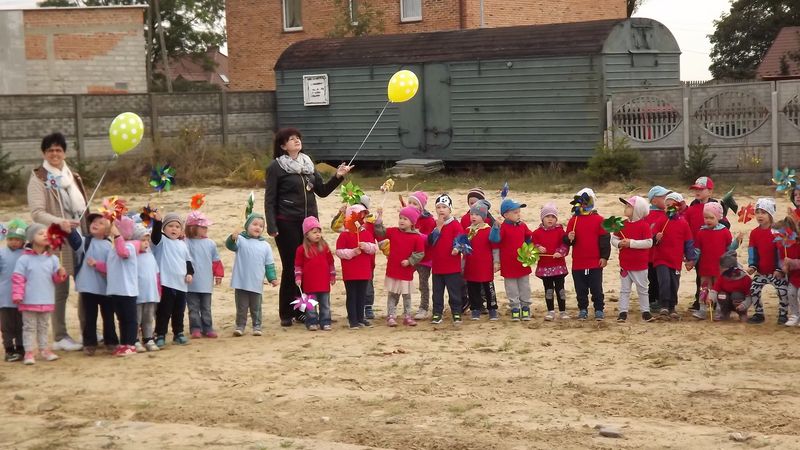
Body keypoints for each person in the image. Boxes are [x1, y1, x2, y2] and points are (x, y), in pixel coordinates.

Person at [265, 127, 352, 327]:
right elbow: (270, 199)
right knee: (291, 268)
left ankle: (302, 310)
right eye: (291, 139)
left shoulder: (308, 164)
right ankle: (286, 312)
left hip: (309, 225)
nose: (296, 141)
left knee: (309, 268)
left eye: (298, 138)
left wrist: (338, 176)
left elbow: (321, 191)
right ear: (282, 146)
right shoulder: (276, 168)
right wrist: (272, 225)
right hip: (286, 223)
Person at [27, 132, 86, 352]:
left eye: (58, 150)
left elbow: (83, 207)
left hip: (80, 237)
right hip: (56, 239)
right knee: (60, 288)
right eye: (50, 150)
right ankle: (60, 335)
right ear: (44, 153)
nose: (54, 154)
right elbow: (37, 213)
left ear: (64, 153)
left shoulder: (74, 177)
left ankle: (87, 330)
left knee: (86, 285)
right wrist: (59, 222)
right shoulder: (38, 178)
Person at [12, 223, 68, 365]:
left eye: (46, 233)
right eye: (40, 233)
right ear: (31, 238)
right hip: (29, 300)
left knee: (43, 326)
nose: (45, 235)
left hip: (46, 299)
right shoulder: (24, 259)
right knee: (29, 327)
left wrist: (61, 274)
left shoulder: (53, 259)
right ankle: (29, 352)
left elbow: (55, 279)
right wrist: (17, 295)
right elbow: (18, 278)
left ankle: (44, 349)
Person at [67, 213, 118, 356]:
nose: (95, 224)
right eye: (93, 222)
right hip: (88, 287)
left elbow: (112, 268)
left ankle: (111, 342)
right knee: (89, 317)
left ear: (108, 230)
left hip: (106, 288)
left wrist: (97, 265)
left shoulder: (109, 246)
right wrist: (70, 230)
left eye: (100, 223)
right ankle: (89, 343)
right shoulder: (85, 241)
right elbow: (75, 241)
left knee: (108, 317)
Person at [227, 213, 279, 336]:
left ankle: (257, 326)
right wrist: (232, 238)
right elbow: (230, 246)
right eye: (254, 224)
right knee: (242, 306)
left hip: (256, 282)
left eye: (261, 226)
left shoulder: (265, 245)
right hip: (241, 281)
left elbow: (269, 265)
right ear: (247, 226)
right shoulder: (241, 240)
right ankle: (240, 326)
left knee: (256, 307)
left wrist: (272, 278)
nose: (258, 227)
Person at [374, 206, 426, 327]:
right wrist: (379, 218)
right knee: (392, 294)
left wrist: (409, 261)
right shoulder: (393, 231)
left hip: (406, 272)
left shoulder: (416, 237)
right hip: (393, 270)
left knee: (406, 295)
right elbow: (380, 232)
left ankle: (407, 316)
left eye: (405, 219)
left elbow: (420, 253)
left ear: (412, 222)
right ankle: (391, 316)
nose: (402, 221)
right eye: (400, 218)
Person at [565, 188, 610, 321]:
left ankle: (599, 309)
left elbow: (605, 240)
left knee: (596, 288)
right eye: (580, 202)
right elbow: (568, 241)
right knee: (581, 289)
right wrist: (569, 238)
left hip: (595, 262)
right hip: (578, 261)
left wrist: (604, 257)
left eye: (585, 202)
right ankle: (583, 309)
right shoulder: (574, 220)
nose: (583, 205)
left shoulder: (599, 220)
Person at [150, 212, 194, 347]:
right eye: (170, 226)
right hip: (166, 283)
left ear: (181, 230)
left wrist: (189, 273)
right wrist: (157, 222)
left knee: (179, 311)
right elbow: (155, 236)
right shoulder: (162, 241)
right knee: (164, 311)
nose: (174, 229)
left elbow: (188, 262)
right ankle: (160, 334)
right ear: (164, 228)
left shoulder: (182, 245)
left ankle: (178, 333)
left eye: (177, 226)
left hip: (181, 284)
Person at [652, 192, 697, 319]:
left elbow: (688, 242)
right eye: (667, 205)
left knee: (674, 283)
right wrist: (656, 237)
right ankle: (664, 305)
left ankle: (672, 307)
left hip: (676, 260)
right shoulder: (661, 220)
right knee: (664, 281)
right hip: (661, 258)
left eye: (672, 205)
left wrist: (691, 258)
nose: (669, 207)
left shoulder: (683, 223)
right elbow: (652, 240)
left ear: (679, 206)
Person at [692, 202, 740, 320]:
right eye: (705, 217)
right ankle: (702, 310)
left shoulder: (724, 232)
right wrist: (691, 261)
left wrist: (737, 242)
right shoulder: (701, 232)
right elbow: (697, 251)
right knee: (704, 289)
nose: (708, 220)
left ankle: (720, 310)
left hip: (720, 268)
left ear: (719, 217)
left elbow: (729, 249)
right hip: (705, 267)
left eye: (711, 217)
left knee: (719, 290)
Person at [745, 198, 788, 325]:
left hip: (776, 272)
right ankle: (759, 313)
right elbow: (752, 250)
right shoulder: (754, 233)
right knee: (754, 289)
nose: (759, 215)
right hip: (761, 272)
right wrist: (752, 265)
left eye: (763, 212)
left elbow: (781, 252)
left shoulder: (777, 232)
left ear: (770, 214)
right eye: (757, 212)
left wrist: (780, 269)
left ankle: (783, 314)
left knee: (782, 291)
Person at [490, 198, 535, 321]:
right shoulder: (503, 227)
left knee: (525, 287)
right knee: (511, 288)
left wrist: (532, 246)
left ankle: (525, 307)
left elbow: (529, 237)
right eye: (515, 212)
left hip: (522, 263)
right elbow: (495, 240)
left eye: (519, 211)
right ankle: (515, 308)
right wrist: (495, 228)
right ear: (506, 215)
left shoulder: (522, 225)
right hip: (508, 264)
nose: (518, 214)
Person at [611, 196, 654, 323]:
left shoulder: (644, 225)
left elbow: (648, 243)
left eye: (629, 206)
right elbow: (613, 239)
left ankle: (645, 311)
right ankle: (622, 312)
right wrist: (619, 243)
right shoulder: (621, 224)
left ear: (637, 210)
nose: (626, 208)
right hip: (625, 264)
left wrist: (631, 243)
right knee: (624, 290)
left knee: (643, 289)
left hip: (640, 264)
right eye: (626, 206)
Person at [336, 205, 378, 328]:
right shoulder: (344, 235)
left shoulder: (366, 233)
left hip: (364, 271)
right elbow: (339, 252)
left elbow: (374, 248)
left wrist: (366, 246)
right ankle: (353, 320)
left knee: (362, 295)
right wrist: (353, 252)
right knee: (352, 295)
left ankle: (360, 318)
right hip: (350, 272)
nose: (362, 219)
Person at [185, 211, 224, 338]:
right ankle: (195, 328)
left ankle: (207, 327)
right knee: (193, 307)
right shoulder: (186, 242)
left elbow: (216, 260)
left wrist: (218, 275)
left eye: (206, 226)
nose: (206, 229)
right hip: (191, 282)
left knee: (206, 307)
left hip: (206, 282)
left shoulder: (210, 243)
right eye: (202, 226)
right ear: (193, 228)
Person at [428, 194, 465, 325]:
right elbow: (430, 241)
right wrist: (438, 228)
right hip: (438, 267)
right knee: (437, 292)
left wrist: (457, 248)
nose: (441, 210)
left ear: (450, 209)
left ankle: (456, 312)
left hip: (452, 267)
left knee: (454, 291)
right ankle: (437, 313)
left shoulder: (455, 224)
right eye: (438, 207)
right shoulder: (436, 225)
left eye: (444, 207)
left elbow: (461, 238)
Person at [294, 216, 336, 331]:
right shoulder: (301, 249)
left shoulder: (324, 247)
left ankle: (325, 321)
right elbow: (298, 265)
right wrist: (298, 277)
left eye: (319, 232)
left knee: (325, 304)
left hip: (323, 283)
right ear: (307, 234)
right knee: (311, 305)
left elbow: (331, 262)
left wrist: (332, 275)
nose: (318, 235)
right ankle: (312, 322)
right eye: (314, 232)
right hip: (310, 283)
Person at [106, 217, 140, 357]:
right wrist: (95, 264)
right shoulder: (113, 249)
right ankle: (123, 343)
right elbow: (110, 267)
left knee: (130, 318)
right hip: (116, 290)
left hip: (128, 290)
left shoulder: (132, 246)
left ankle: (130, 344)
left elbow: (123, 253)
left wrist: (117, 236)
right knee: (121, 319)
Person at [532, 203, 570, 321]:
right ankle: (550, 311)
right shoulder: (536, 233)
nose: (550, 219)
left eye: (553, 217)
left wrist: (560, 252)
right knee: (548, 290)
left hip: (558, 266)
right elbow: (531, 245)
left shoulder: (560, 231)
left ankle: (563, 311)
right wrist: (537, 247)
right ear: (542, 218)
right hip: (545, 266)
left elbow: (565, 244)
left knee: (560, 290)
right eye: (547, 216)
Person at [462, 200, 498, 321]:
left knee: (489, 288)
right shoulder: (468, 231)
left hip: (485, 265)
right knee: (473, 288)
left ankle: (492, 308)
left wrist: (496, 262)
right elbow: (464, 249)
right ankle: (475, 309)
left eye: (477, 214)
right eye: (472, 214)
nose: (473, 217)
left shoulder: (489, 230)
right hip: (471, 265)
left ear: (483, 216)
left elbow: (495, 247)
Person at [0, 219, 27, 362]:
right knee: (6, 325)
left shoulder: (27, 254)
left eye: (17, 239)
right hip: (4, 297)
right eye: (11, 239)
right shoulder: (1, 253)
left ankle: (21, 348)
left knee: (22, 324)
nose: (14, 242)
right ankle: (9, 349)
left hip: (23, 297)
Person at [406, 191, 435, 320]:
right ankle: (406, 308)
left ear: (421, 206)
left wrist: (418, 234)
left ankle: (423, 307)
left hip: (425, 257)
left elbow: (430, 240)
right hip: (409, 256)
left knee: (423, 284)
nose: (411, 205)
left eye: (415, 204)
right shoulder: (406, 216)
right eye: (410, 203)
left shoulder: (428, 220)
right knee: (404, 281)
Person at [132, 224, 160, 352]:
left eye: (147, 240)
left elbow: (156, 273)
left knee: (148, 317)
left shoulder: (150, 255)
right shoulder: (133, 256)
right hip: (138, 295)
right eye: (142, 240)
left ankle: (148, 338)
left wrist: (158, 290)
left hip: (151, 294)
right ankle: (135, 339)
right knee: (136, 319)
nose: (146, 243)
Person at [645, 186, 670, 311]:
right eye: (663, 197)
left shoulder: (668, 214)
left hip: (663, 254)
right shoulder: (646, 214)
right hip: (649, 254)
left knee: (663, 278)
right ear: (654, 201)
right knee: (652, 278)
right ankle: (651, 300)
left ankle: (662, 300)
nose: (666, 199)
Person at [710, 251, 752, 322]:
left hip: (740, 302)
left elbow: (750, 296)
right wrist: (710, 299)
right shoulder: (722, 277)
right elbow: (715, 290)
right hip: (726, 300)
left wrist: (744, 305)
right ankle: (725, 313)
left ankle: (742, 313)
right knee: (722, 295)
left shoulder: (745, 279)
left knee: (737, 295)